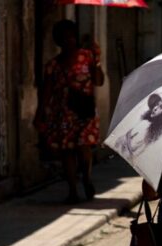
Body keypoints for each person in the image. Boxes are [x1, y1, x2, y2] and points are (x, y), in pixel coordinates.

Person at [34, 20, 104, 203]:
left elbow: (99, 81)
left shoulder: (88, 57)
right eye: (64, 37)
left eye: (71, 36)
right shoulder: (53, 65)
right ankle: (73, 190)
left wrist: (96, 61)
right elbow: (46, 91)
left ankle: (87, 177)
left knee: (83, 146)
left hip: (85, 110)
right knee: (67, 151)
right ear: (58, 41)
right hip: (63, 113)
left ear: (75, 37)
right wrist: (40, 113)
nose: (69, 40)